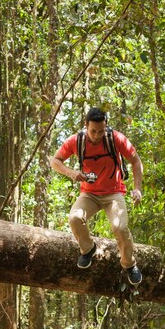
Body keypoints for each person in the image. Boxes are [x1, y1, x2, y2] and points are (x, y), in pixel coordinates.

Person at [50, 107, 143, 285]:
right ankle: (88, 249)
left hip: (114, 193)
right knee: (75, 219)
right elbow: (55, 161)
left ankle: (129, 264)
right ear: (86, 126)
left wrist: (137, 189)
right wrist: (71, 173)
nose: (97, 135)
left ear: (106, 126)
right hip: (89, 193)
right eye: (93, 131)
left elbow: (136, 161)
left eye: (101, 131)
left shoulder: (115, 138)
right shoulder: (76, 141)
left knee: (120, 228)